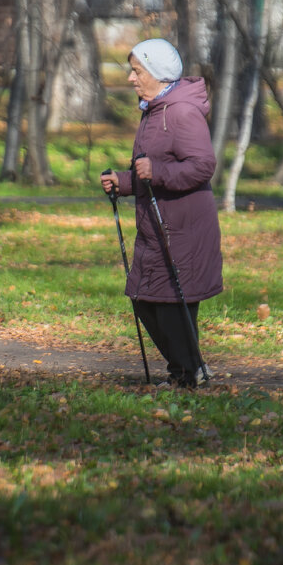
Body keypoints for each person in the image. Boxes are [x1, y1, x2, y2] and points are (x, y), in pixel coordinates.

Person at [100, 38, 223, 388]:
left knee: (169, 308)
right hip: (158, 227)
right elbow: (150, 168)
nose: (130, 78)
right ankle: (188, 370)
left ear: (156, 73)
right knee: (145, 302)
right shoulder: (154, 111)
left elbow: (202, 166)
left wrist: (158, 173)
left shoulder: (180, 112)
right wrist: (122, 182)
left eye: (137, 71)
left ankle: (186, 375)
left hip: (183, 229)